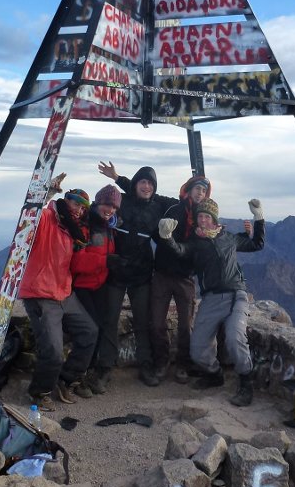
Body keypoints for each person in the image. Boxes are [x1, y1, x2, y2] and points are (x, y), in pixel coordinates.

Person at [158, 196, 265, 407]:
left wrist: (259, 218)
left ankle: (245, 383)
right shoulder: (195, 243)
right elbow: (179, 251)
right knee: (197, 347)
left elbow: (256, 244)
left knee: (235, 338)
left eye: (207, 216)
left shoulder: (228, 238)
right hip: (211, 299)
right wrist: (166, 236)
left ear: (215, 219)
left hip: (236, 295)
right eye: (200, 217)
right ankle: (215, 374)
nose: (203, 220)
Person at [97, 160, 178, 386]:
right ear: (135, 184)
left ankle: (146, 364)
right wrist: (117, 177)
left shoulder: (159, 205)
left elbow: (184, 204)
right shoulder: (124, 200)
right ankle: (105, 367)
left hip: (142, 273)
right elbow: (122, 191)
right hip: (117, 270)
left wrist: (198, 199)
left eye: (150, 184)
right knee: (109, 320)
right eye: (142, 182)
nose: (146, 187)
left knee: (143, 321)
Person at [18, 187, 98, 411]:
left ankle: (66, 380)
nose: (79, 210)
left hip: (63, 291)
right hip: (40, 293)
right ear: (66, 201)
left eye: (83, 207)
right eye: (76, 203)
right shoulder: (47, 218)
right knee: (53, 350)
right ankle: (40, 391)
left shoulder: (71, 229)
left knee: (89, 332)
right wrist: (44, 196)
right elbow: (27, 220)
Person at [151, 175, 212, 384]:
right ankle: (161, 362)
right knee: (157, 322)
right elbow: (149, 195)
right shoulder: (173, 208)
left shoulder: (204, 218)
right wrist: (118, 178)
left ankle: (182, 364)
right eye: (197, 189)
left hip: (185, 277)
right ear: (188, 189)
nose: (200, 193)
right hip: (162, 274)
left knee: (186, 325)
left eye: (204, 191)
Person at [69, 184, 122, 396]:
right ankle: (76, 377)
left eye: (114, 206)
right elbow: (76, 262)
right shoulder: (85, 226)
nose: (109, 209)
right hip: (82, 287)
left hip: (99, 286)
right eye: (106, 204)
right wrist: (106, 261)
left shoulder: (110, 227)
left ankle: (89, 373)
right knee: (89, 330)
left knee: (100, 328)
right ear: (98, 203)